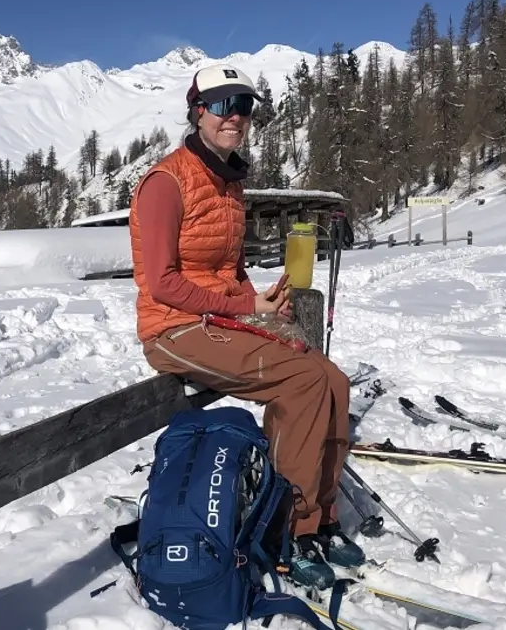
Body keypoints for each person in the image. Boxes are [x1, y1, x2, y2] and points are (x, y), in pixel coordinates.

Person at [128, 63, 364, 590]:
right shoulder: (166, 183)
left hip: (218, 319)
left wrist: (260, 305)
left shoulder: (230, 182)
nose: (233, 116)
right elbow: (162, 283)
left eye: (243, 106)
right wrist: (242, 306)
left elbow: (229, 272)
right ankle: (284, 529)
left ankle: (321, 519)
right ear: (197, 113)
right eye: (221, 105)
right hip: (174, 328)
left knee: (333, 380)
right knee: (302, 381)